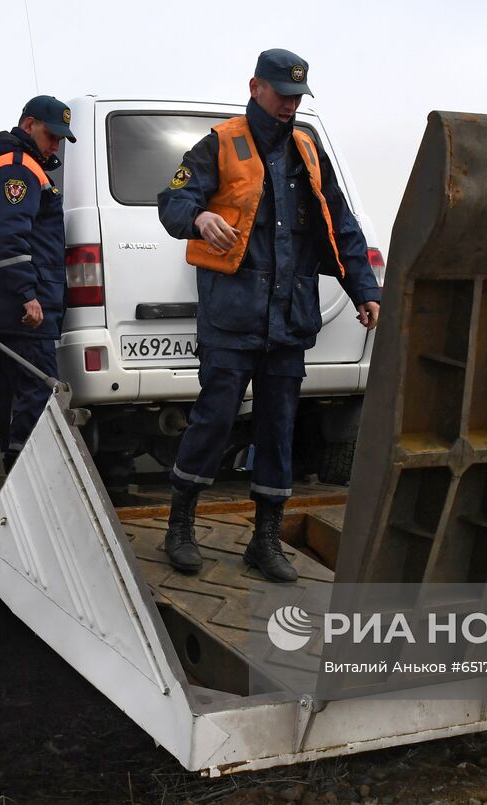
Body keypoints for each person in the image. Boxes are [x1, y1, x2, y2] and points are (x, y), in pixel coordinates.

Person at [156, 49, 381, 583]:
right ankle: (180, 527)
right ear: (255, 87)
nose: (289, 105)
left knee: (279, 430)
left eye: (297, 96)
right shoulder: (219, 144)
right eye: (281, 94)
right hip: (231, 319)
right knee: (213, 421)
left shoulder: (308, 148)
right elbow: (171, 201)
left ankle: (264, 541)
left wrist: (363, 289)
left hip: (288, 318)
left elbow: (339, 224)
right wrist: (201, 216)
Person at [0, 95, 74, 469]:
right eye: (50, 135)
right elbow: (7, 237)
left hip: (2, 311)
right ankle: (26, 475)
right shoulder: (17, 167)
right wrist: (28, 293)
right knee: (39, 396)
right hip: (21, 315)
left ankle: (6, 478)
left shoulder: (13, 165)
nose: (54, 144)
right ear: (28, 126)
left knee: (4, 402)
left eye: (60, 139)